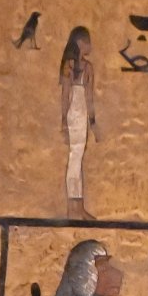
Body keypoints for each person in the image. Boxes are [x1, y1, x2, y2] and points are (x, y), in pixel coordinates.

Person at [59, 26, 96, 218]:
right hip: (73, 114)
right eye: (87, 41)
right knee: (74, 159)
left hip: (81, 115)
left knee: (78, 159)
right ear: (80, 43)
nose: (90, 45)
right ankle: (72, 207)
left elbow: (89, 97)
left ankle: (78, 207)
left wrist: (92, 121)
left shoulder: (88, 67)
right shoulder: (70, 65)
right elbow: (65, 94)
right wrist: (63, 121)